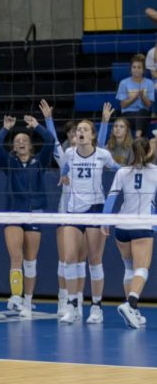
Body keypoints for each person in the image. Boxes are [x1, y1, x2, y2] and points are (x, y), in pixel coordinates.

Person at [0, 105, 55, 319]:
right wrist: (5, 129)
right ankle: (17, 297)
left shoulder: (40, 161)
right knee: (16, 256)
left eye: (24, 140)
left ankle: (28, 301)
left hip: (35, 213)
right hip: (13, 213)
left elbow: (51, 142)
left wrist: (36, 125)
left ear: (30, 144)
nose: (20, 142)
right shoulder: (9, 162)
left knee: (30, 260)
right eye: (17, 140)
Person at [58, 118, 120, 324]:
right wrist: (63, 175)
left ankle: (96, 306)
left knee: (94, 260)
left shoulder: (102, 155)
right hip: (73, 211)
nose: (80, 132)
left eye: (85, 130)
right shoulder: (69, 154)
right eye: (78, 130)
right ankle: (73, 305)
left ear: (93, 135)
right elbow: (65, 168)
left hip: (96, 209)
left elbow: (118, 169)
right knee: (69, 258)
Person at [103, 138, 155, 329]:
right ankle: (131, 303)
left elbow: (111, 198)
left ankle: (134, 312)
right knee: (142, 269)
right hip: (141, 226)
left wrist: (104, 221)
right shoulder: (155, 172)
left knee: (129, 269)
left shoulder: (122, 171)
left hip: (122, 227)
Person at [116, 53, 154, 138]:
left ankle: (137, 137)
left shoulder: (149, 83)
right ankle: (139, 137)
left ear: (143, 70)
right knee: (140, 119)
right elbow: (123, 105)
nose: (136, 69)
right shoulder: (123, 83)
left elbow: (149, 105)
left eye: (139, 67)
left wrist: (142, 96)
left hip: (144, 113)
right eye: (134, 67)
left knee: (142, 112)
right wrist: (135, 96)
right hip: (128, 114)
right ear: (131, 69)